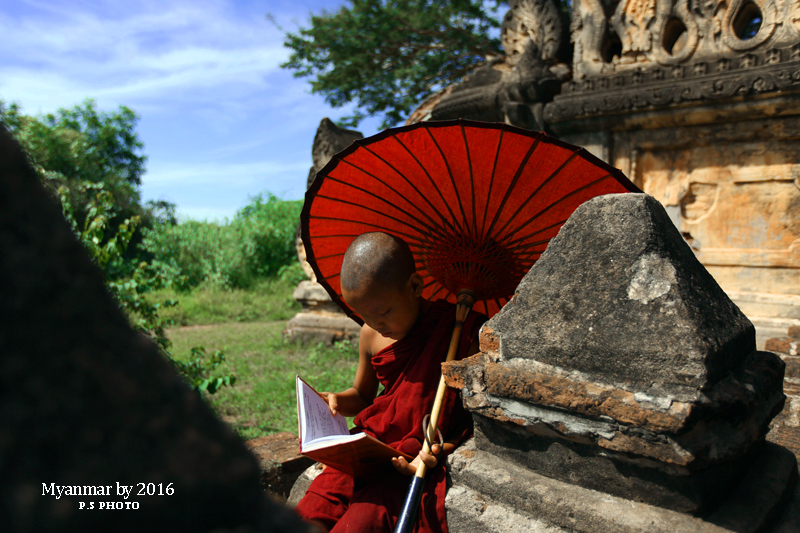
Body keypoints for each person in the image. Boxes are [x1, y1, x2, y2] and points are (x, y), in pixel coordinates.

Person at [294, 232, 486, 533]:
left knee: (364, 521)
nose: (376, 324)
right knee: (316, 504)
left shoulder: (462, 336)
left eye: (383, 312)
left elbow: (473, 420)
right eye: (364, 315)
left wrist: (439, 451)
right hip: (370, 448)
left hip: (411, 457)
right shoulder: (371, 335)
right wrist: (335, 399)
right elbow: (361, 394)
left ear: (414, 286)